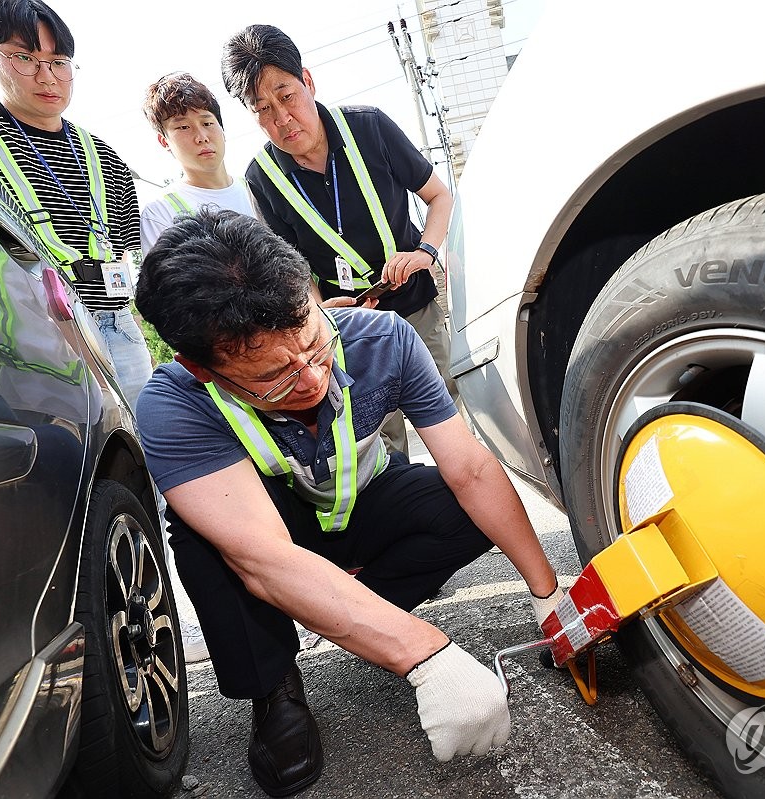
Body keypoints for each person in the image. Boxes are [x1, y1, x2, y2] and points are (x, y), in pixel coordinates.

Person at [134, 208, 564, 796]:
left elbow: (469, 468)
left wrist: (548, 593)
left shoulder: (381, 339)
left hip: (357, 503)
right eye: (274, 378)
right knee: (206, 542)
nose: (310, 380)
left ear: (311, 296)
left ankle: (356, 611)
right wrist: (426, 655)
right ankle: (275, 686)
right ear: (201, 368)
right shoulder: (175, 406)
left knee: (459, 507)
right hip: (274, 529)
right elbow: (263, 558)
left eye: (313, 345)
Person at [222, 24, 456, 459]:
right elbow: (292, 266)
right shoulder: (263, 178)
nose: (282, 118)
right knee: (382, 445)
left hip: (417, 307)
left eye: (287, 96)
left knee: (447, 420)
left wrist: (424, 252)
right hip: (349, 330)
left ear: (307, 81)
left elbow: (439, 195)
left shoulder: (369, 128)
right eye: (263, 109)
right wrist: (315, 307)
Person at [0, 0, 152, 407]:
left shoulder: (105, 157)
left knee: (149, 451)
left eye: (58, 62)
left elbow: (124, 255)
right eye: (24, 58)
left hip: (119, 329)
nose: (47, 77)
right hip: (30, 338)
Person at [140, 71, 257, 252]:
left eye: (207, 123)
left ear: (222, 128)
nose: (201, 137)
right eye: (184, 127)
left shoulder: (257, 191)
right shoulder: (160, 213)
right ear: (164, 141)